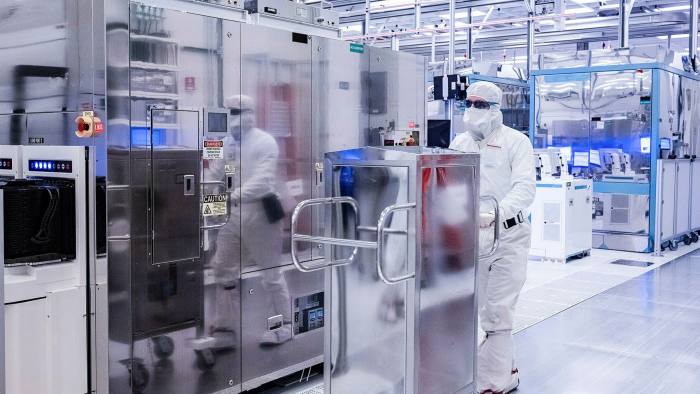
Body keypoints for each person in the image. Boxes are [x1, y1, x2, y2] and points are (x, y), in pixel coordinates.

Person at [449, 81, 535, 394]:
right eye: (469, 103)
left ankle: (495, 382)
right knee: (478, 308)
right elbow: (450, 183)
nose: (472, 110)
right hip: (473, 237)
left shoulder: (516, 142)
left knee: (498, 310)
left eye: (480, 104)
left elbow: (525, 188)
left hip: (509, 235)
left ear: (495, 109)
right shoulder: (460, 142)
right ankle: (506, 368)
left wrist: (495, 214)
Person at [204, 95, 292, 355]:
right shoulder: (225, 143)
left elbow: (263, 182)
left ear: (250, 113)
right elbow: (214, 172)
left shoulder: (265, 142)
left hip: (263, 215)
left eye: (237, 112)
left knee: (271, 274)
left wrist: (231, 196)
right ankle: (224, 329)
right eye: (229, 112)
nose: (233, 118)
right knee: (223, 269)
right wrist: (205, 199)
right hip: (234, 216)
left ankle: (283, 325)